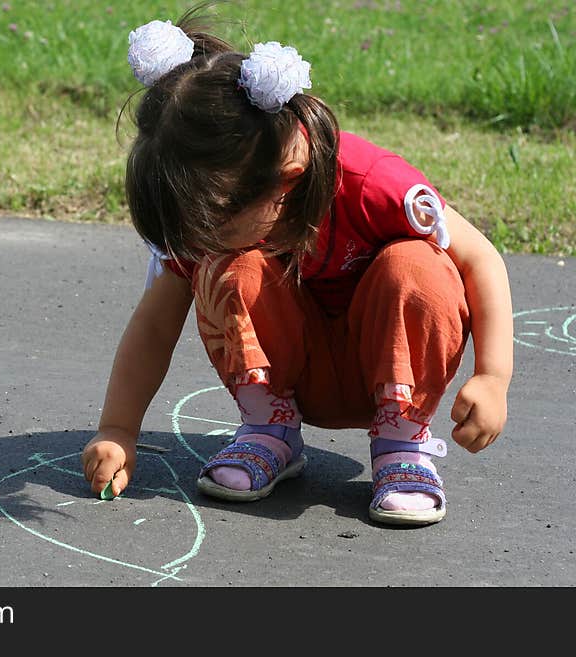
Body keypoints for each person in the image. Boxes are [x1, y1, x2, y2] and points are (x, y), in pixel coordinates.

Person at [80, 7, 513, 526]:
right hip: (288, 377)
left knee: (418, 266)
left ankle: (403, 444)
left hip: (388, 371)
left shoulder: (373, 181)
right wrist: (119, 429)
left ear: (285, 181)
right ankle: (271, 429)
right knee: (224, 270)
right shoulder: (215, 198)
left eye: (210, 226)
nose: (199, 240)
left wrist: (493, 377)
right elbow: (154, 323)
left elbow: (481, 257)